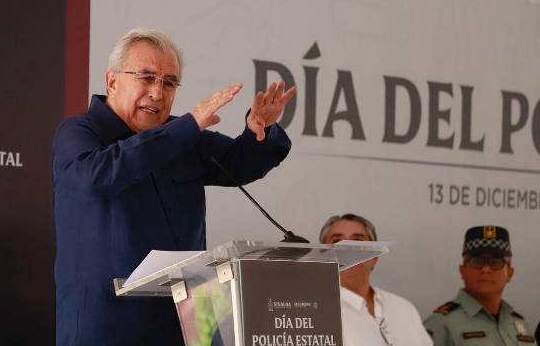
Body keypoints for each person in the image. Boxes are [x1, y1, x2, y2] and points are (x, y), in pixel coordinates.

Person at [53, 27, 296, 345]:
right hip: (110, 322)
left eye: (169, 83)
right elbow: (95, 177)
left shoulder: (184, 135)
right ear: (112, 81)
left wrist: (259, 130)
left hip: (193, 317)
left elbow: (240, 164)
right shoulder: (79, 131)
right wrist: (186, 127)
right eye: (146, 77)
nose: (157, 92)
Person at [320, 213, 432, 346]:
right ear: (322, 258)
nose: (348, 249)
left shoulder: (404, 308)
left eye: (358, 241)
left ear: (375, 256)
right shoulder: (315, 311)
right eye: (337, 242)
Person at [424, 226, 535, 345]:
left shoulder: (520, 324)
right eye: (477, 261)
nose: (486, 269)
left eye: (495, 262)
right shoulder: (440, 324)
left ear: (510, 273)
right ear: (462, 271)